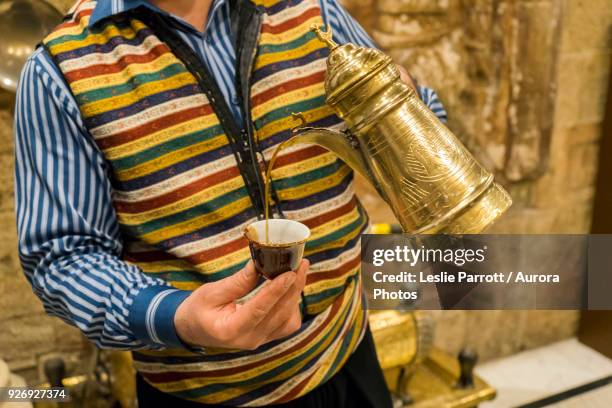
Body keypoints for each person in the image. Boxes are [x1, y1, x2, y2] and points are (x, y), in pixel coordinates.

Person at [14, 0, 446, 406]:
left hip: (349, 357)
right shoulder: (61, 70)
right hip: (199, 393)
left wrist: (408, 120)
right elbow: (63, 257)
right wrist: (178, 316)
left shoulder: (311, 8)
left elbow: (409, 122)